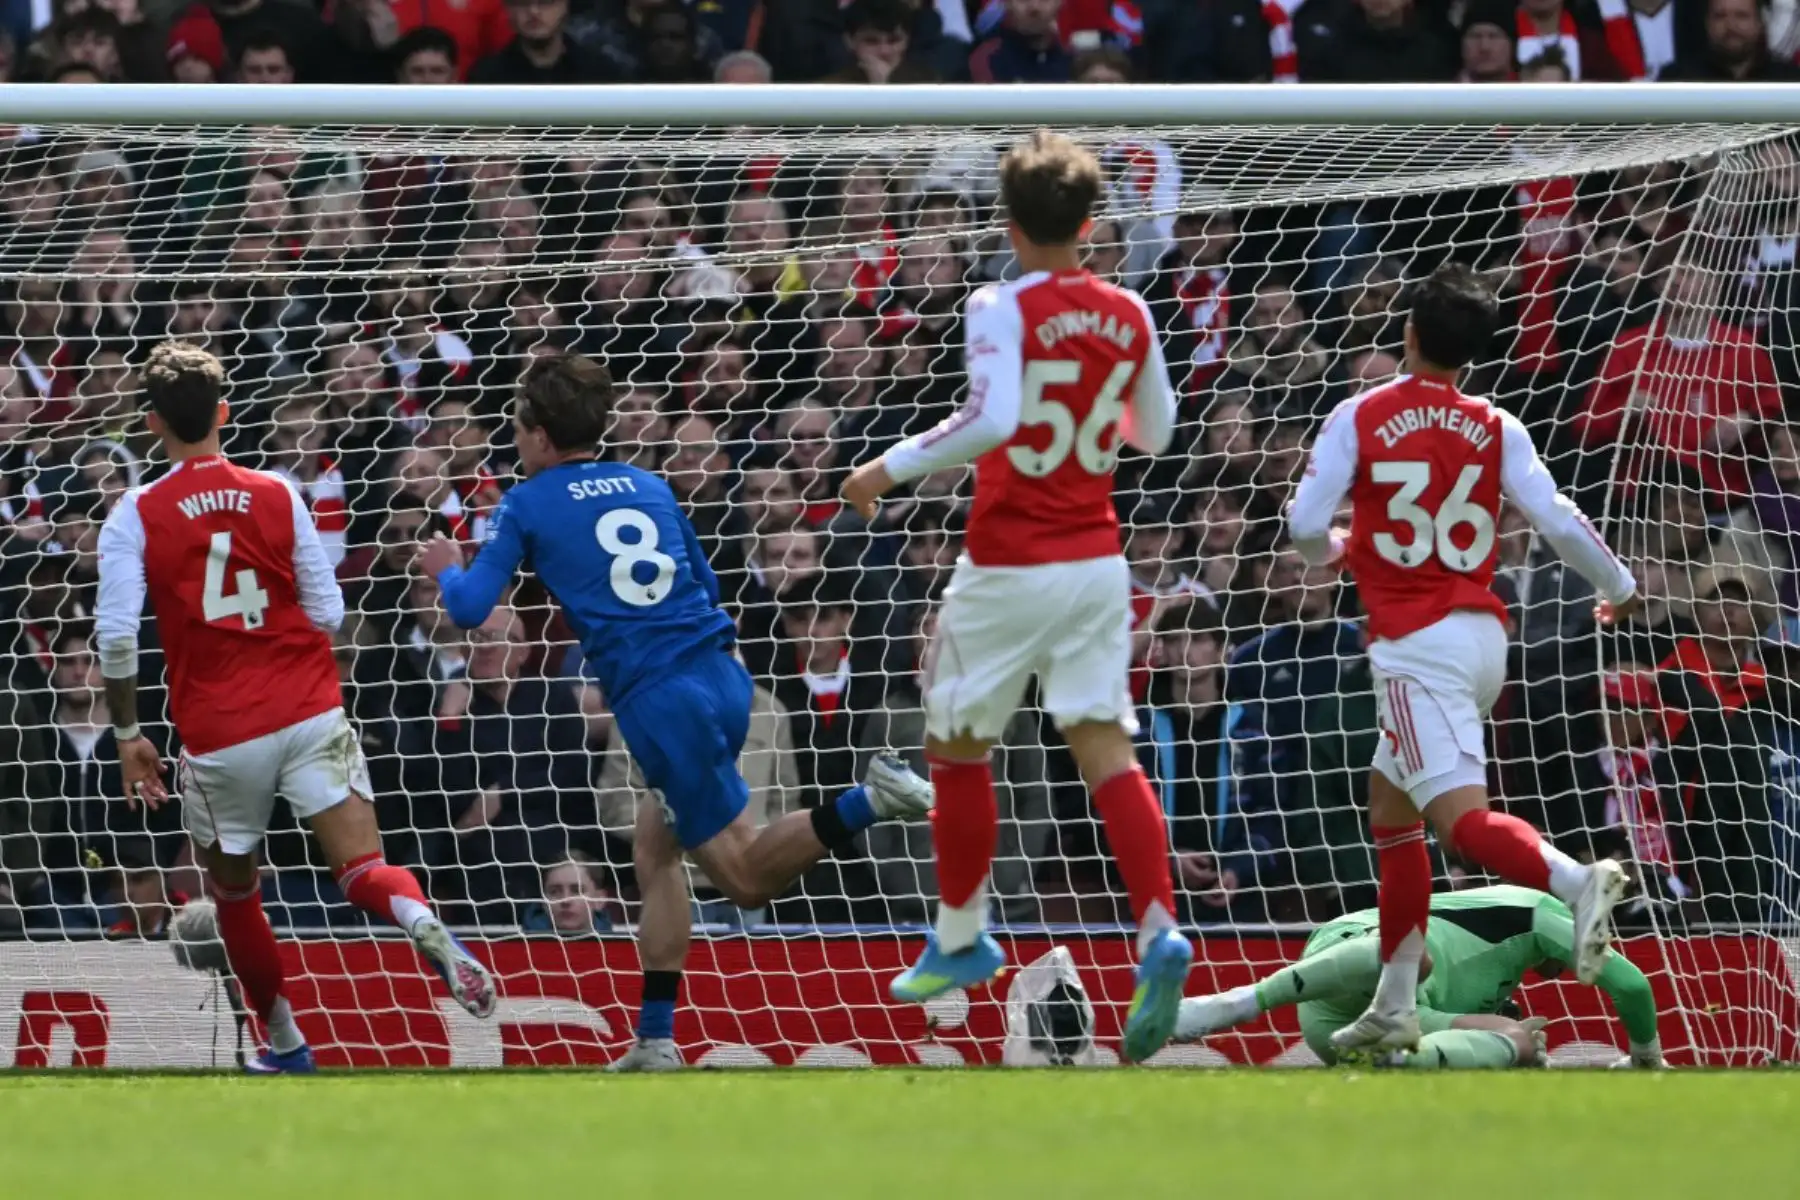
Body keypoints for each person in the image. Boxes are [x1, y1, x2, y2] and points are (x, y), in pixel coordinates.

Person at [419, 353, 934, 1073]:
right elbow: (703, 577)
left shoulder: (525, 502)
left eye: (516, 428)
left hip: (661, 703)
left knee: (745, 875)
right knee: (654, 849)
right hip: (722, 677)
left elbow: (472, 608)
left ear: (537, 436)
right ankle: (654, 1038)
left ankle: (867, 797)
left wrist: (445, 562)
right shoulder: (650, 483)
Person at [840, 130, 1189, 1064]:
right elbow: (1157, 433)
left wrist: (886, 468)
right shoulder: (1128, 311)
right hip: (1096, 564)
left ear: (1009, 221)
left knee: (955, 746)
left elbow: (990, 418)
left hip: (1004, 562)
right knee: (1105, 749)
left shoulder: (998, 301)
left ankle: (961, 936)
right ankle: (1159, 926)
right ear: (1088, 221)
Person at [93, 341, 494, 1076]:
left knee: (235, 892)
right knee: (363, 867)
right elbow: (331, 612)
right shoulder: (278, 490)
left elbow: (115, 635)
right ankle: (422, 920)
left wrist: (127, 734)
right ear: (225, 413)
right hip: (308, 707)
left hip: (219, 733)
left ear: (151, 424)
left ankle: (285, 1045)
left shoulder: (136, 513)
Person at [1286, 263, 1643, 1057]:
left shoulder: (1361, 414)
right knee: (1393, 815)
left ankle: (1574, 880)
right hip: (1484, 639)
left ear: (1408, 333)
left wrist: (1333, 546)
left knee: (1460, 822)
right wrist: (1619, 583)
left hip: (1415, 646)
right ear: (1474, 354)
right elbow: (1554, 516)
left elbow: (1305, 523)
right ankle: (1394, 1001)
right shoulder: (1496, 423)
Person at [1173, 886, 1665, 1071]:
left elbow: (1455, 1015)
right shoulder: (1538, 911)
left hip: (1342, 1036)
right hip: (1353, 953)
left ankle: (1406, 1062)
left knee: (1515, 1041)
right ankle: (1240, 1001)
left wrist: (1519, 1049)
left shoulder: (1509, 975)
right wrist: (1645, 1058)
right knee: (1415, 957)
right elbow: (1633, 985)